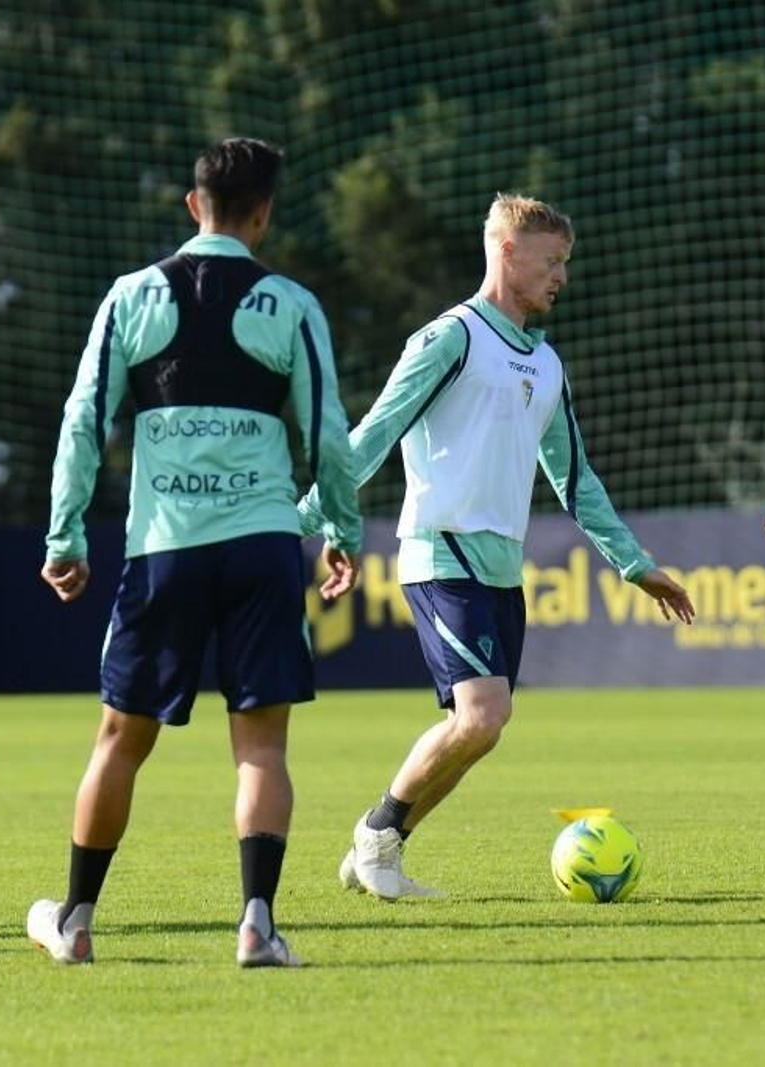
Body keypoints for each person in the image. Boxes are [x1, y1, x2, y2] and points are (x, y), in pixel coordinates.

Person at [298, 192, 696, 900]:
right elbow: (372, 436)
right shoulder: (449, 338)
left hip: (501, 569)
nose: (561, 277)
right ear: (506, 251)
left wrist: (635, 564)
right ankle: (377, 835)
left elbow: (576, 479)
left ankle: (380, 845)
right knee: (483, 715)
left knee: (479, 728)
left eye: (565, 264)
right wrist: (304, 520)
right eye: (551, 261)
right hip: (439, 549)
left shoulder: (545, 365)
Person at [29, 138, 364, 968]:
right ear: (264, 214)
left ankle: (75, 920)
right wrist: (343, 534)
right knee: (261, 744)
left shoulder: (131, 295)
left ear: (193, 205)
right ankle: (257, 922)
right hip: (261, 548)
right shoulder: (291, 304)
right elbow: (327, 434)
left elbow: (82, 420)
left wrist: (65, 533)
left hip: (164, 552)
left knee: (119, 740)